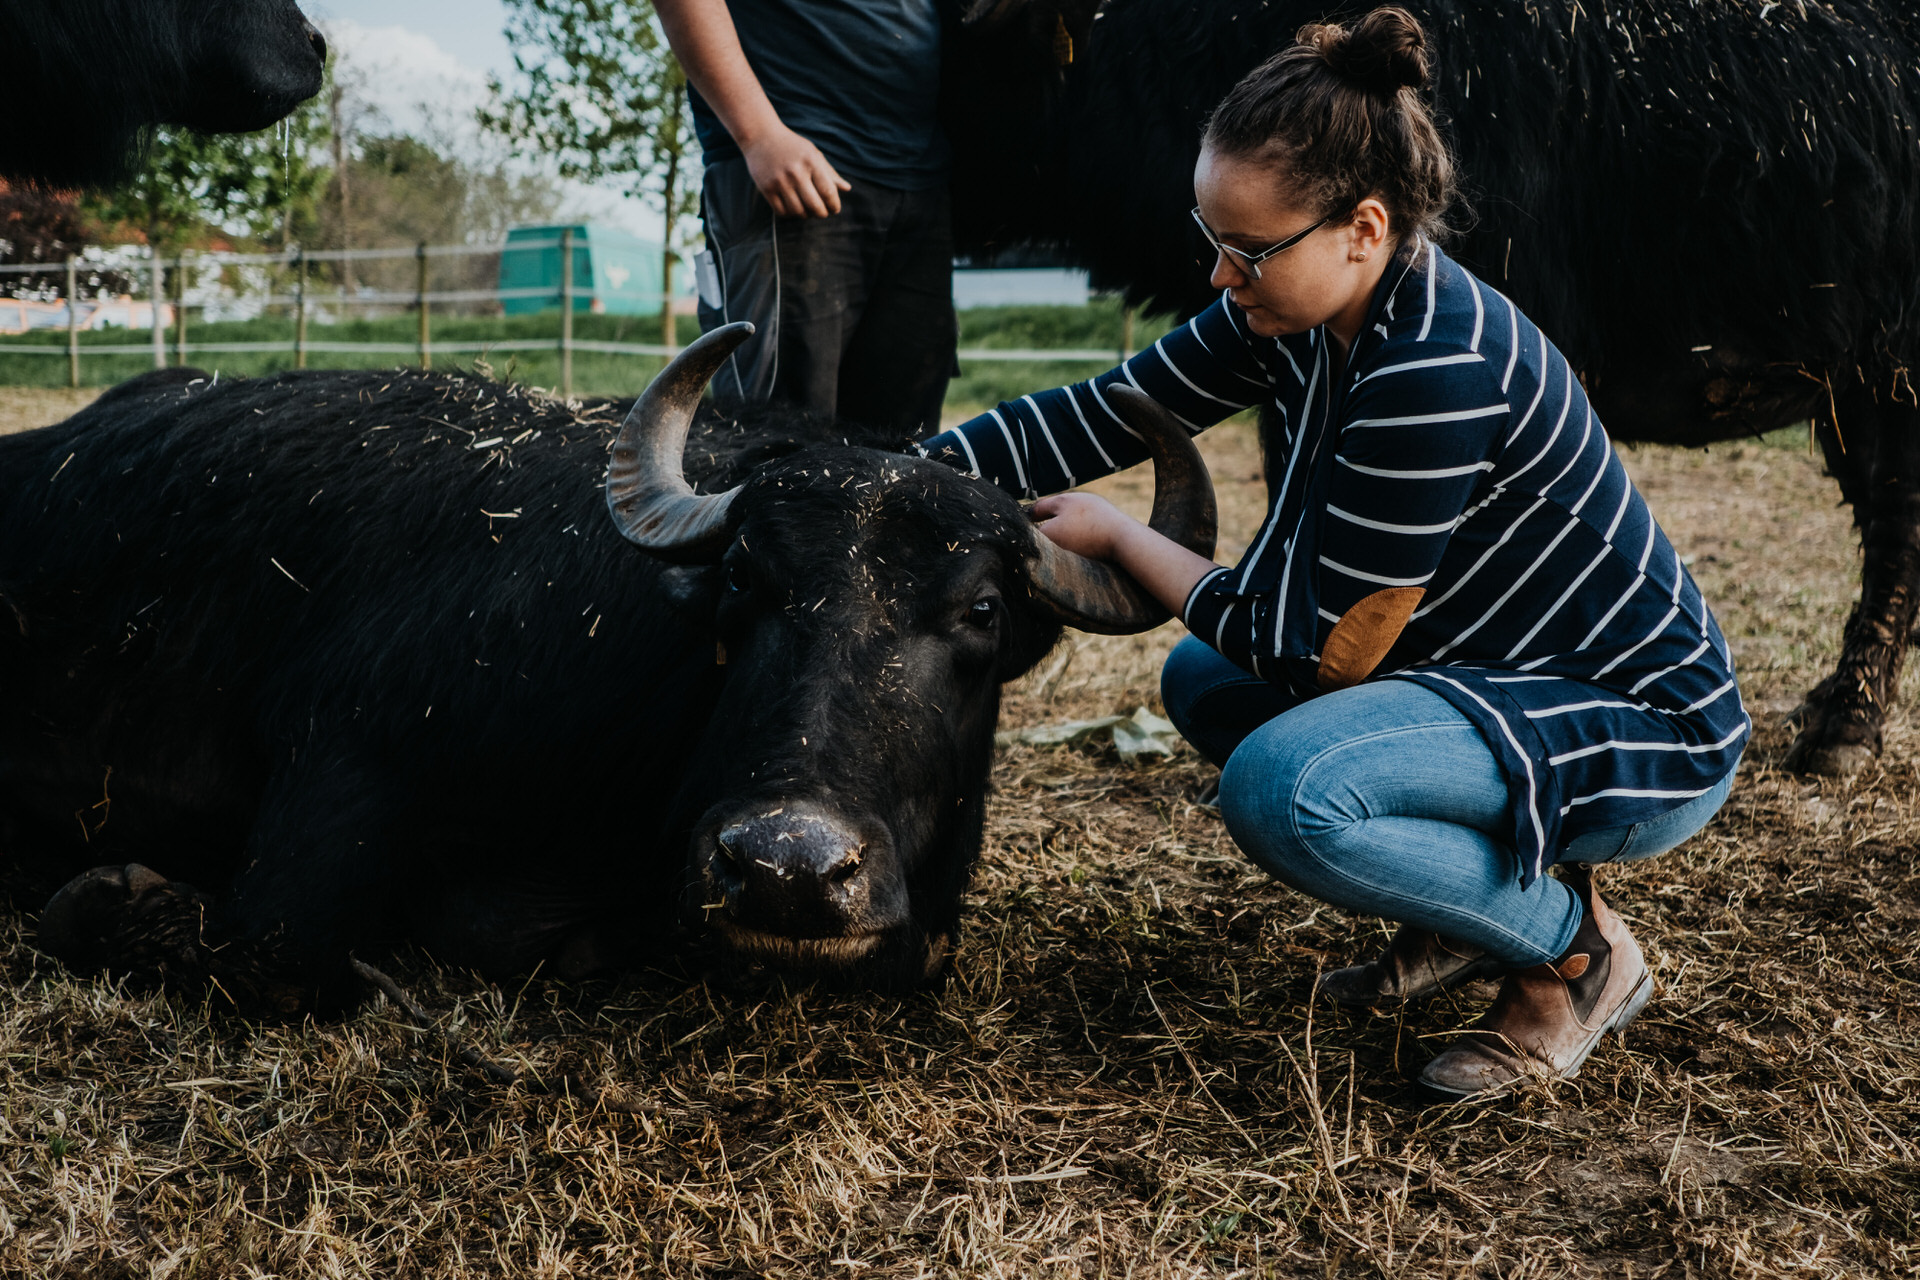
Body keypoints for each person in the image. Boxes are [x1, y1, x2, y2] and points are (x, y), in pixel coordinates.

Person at [917, 7, 1748, 1100]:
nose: (1220, 276)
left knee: (1286, 785)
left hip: (1637, 726)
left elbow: (1321, 658)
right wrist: (902, 475)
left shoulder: (1432, 363)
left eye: (1245, 249)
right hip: (1498, 674)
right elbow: (1108, 409)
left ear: (1362, 226)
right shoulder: (1304, 306)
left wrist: (1128, 538)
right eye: (1211, 238)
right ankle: (1463, 919)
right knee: (1206, 680)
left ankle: (1575, 956)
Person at [658, 0, 957, 436]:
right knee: (776, 451)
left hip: (922, 182)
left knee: (904, 457)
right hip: (795, 167)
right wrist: (759, 134)